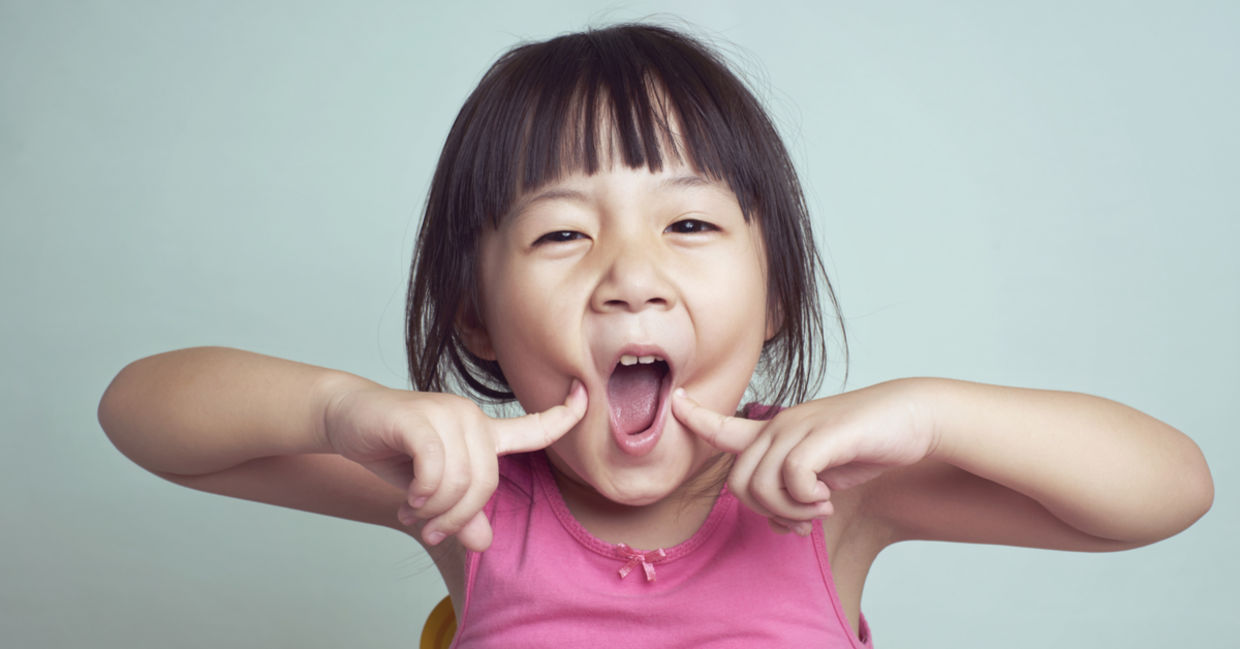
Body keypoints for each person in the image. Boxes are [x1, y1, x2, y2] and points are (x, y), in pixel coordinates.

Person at [98, 23, 1213, 648]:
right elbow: (141, 414)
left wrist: (930, 410)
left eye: (687, 223)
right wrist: (344, 410)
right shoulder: (472, 496)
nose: (631, 276)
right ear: (475, 313)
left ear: (774, 295)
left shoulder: (838, 495)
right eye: (560, 235)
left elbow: (1165, 492)